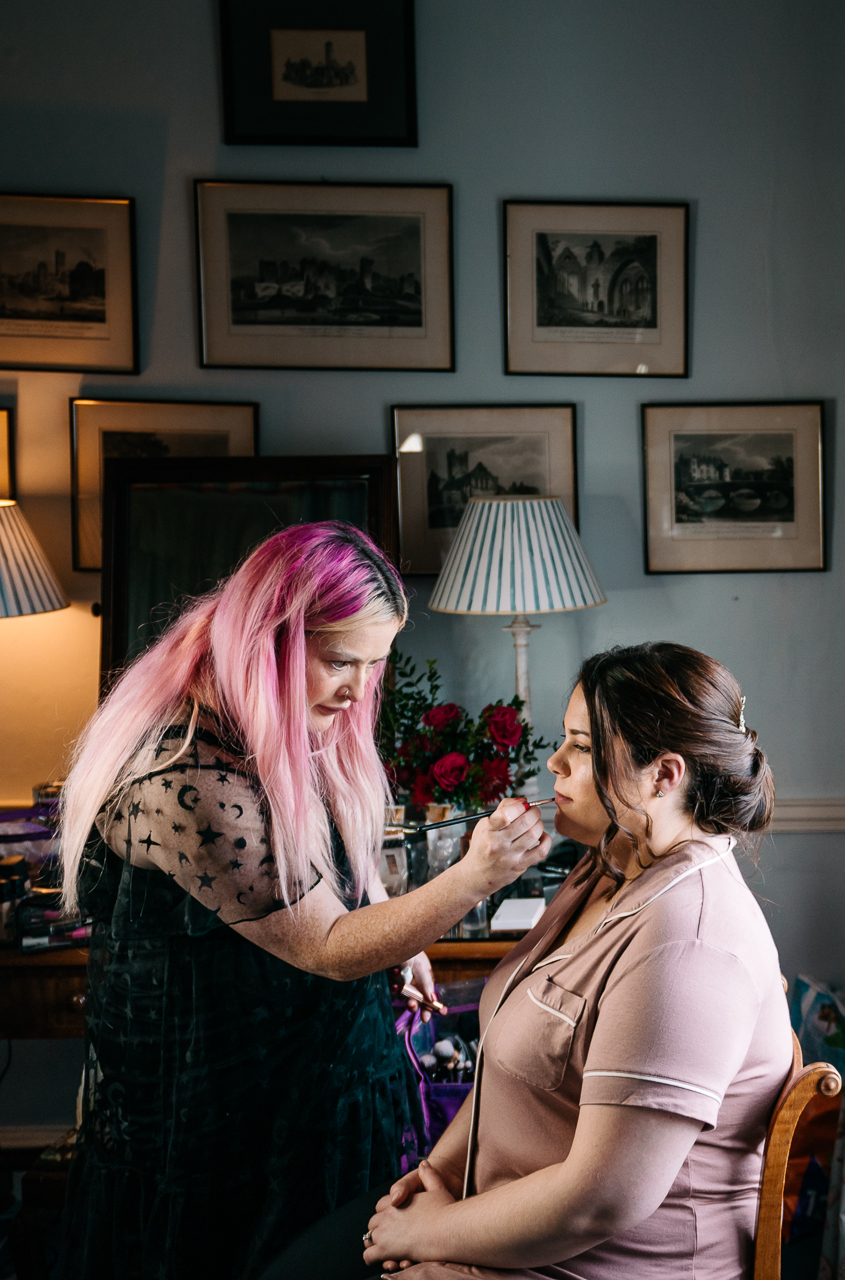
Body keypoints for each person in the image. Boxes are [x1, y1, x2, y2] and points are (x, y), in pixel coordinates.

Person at [54, 522, 552, 1280]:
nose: (360, 690)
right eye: (341, 661)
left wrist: (400, 930)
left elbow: (341, 861)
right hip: (225, 1123)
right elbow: (325, 945)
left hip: (318, 1095)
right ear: (269, 640)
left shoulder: (288, 711)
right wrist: (473, 879)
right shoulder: (187, 777)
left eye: (375, 665)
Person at [262, 642, 789, 1279]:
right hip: (501, 1223)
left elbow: (601, 1202)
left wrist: (434, 1234)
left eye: (584, 747)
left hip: (589, 1264)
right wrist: (436, 1177)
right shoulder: (608, 868)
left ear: (664, 776)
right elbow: (503, 1072)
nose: (555, 762)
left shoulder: (689, 943)